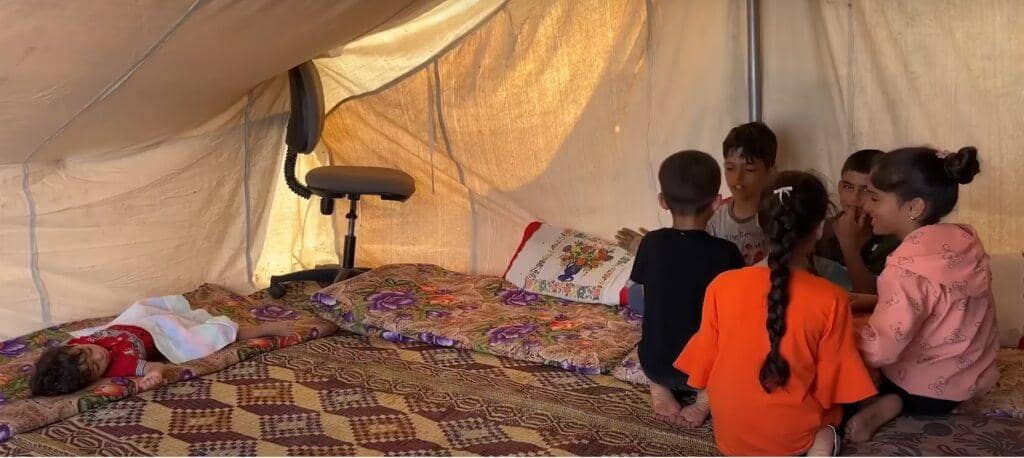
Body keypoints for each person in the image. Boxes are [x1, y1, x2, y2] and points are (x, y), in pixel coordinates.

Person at [675, 171, 876, 455]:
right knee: (834, 420)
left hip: (730, 436)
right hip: (793, 438)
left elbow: (704, 365)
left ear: (760, 222)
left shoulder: (721, 285)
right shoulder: (832, 298)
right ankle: (822, 445)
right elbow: (832, 386)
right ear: (820, 228)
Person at [845, 147, 999, 442]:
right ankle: (898, 401)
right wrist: (876, 301)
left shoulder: (905, 268)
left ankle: (893, 402)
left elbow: (881, 350)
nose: (864, 205)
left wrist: (842, 332)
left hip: (923, 388)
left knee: (847, 367)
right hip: (970, 380)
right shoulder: (964, 245)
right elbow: (942, 307)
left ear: (914, 207)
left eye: (875, 198)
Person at [629, 150, 745, 426]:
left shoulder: (651, 243)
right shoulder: (726, 252)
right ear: (716, 202)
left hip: (657, 363)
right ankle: (705, 399)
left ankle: (660, 388)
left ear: (662, 202)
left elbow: (637, 299)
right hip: (703, 370)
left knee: (650, 333)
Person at [32, 296, 296, 396]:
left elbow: (61, 349)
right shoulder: (121, 365)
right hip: (159, 334)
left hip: (135, 323)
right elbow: (153, 366)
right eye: (94, 367)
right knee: (205, 335)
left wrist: (53, 360)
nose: (99, 356)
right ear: (95, 378)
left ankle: (185, 312)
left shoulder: (76, 345)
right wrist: (155, 375)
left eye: (90, 353)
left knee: (144, 304)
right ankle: (258, 330)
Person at [617, 122, 776, 267]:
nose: (738, 178)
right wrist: (653, 250)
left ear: (770, 172)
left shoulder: (779, 216)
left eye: (749, 169)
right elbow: (690, 258)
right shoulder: (712, 217)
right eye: (730, 168)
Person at [816, 149, 900, 294]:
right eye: (848, 187)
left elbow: (871, 296)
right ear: (839, 188)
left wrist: (849, 246)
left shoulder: (895, 241)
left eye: (866, 190)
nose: (855, 198)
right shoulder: (820, 230)